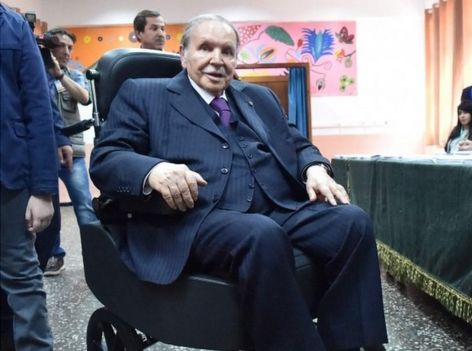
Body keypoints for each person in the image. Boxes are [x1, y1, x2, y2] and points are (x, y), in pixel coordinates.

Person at [90, 14, 388, 351]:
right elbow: (106, 158)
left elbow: (297, 144)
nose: (217, 59)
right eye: (205, 48)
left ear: (235, 60)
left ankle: (350, 343)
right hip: (198, 215)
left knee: (353, 222)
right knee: (261, 234)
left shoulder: (258, 97)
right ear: (184, 54)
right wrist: (154, 170)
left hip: (278, 205)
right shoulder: (145, 94)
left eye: (227, 51)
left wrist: (314, 168)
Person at [0, 4, 68, 349]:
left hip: (9, 176)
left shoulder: (12, 26)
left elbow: (39, 109)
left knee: (22, 277)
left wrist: (43, 191)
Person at [36, 27, 98, 277]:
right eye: (61, 46)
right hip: (44, 151)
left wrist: (59, 75)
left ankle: (97, 256)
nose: (66, 51)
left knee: (83, 204)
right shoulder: (34, 73)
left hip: (74, 149)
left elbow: (84, 98)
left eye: (70, 47)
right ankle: (54, 256)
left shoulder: (71, 75)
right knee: (49, 208)